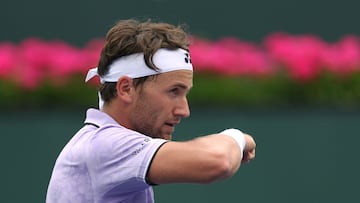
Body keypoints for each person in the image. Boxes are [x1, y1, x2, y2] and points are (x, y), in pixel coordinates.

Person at [46, 19, 256, 203]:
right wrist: (237, 137)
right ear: (126, 89)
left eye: (185, 94)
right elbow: (217, 160)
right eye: (174, 91)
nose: (184, 110)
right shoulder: (105, 144)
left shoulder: (99, 142)